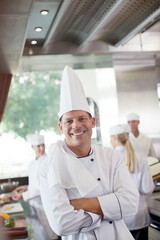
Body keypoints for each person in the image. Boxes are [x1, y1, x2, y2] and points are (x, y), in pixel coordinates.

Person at [39, 65, 139, 240]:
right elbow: (61, 224)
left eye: (82, 118)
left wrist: (82, 204)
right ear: (61, 127)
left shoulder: (111, 156)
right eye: (69, 121)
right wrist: (109, 209)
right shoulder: (48, 165)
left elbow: (131, 204)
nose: (76, 125)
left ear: (92, 122)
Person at [109, 124, 155, 240]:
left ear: (113, 138)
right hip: (138, 217)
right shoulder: (140, 157)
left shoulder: (108, 158)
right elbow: (147, 188)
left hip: (117, 218)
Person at [12, 134, 58, 240]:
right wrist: (25, 187)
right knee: (38, 233)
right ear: (32, 147)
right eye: (38, 146)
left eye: (43, 145)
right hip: (34, 204)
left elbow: (44, 187)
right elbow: (35, 184)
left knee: (50, 234)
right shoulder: (32, 164)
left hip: (45, 204)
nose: (41, 148)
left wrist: (23, 195)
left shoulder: (48, 161)